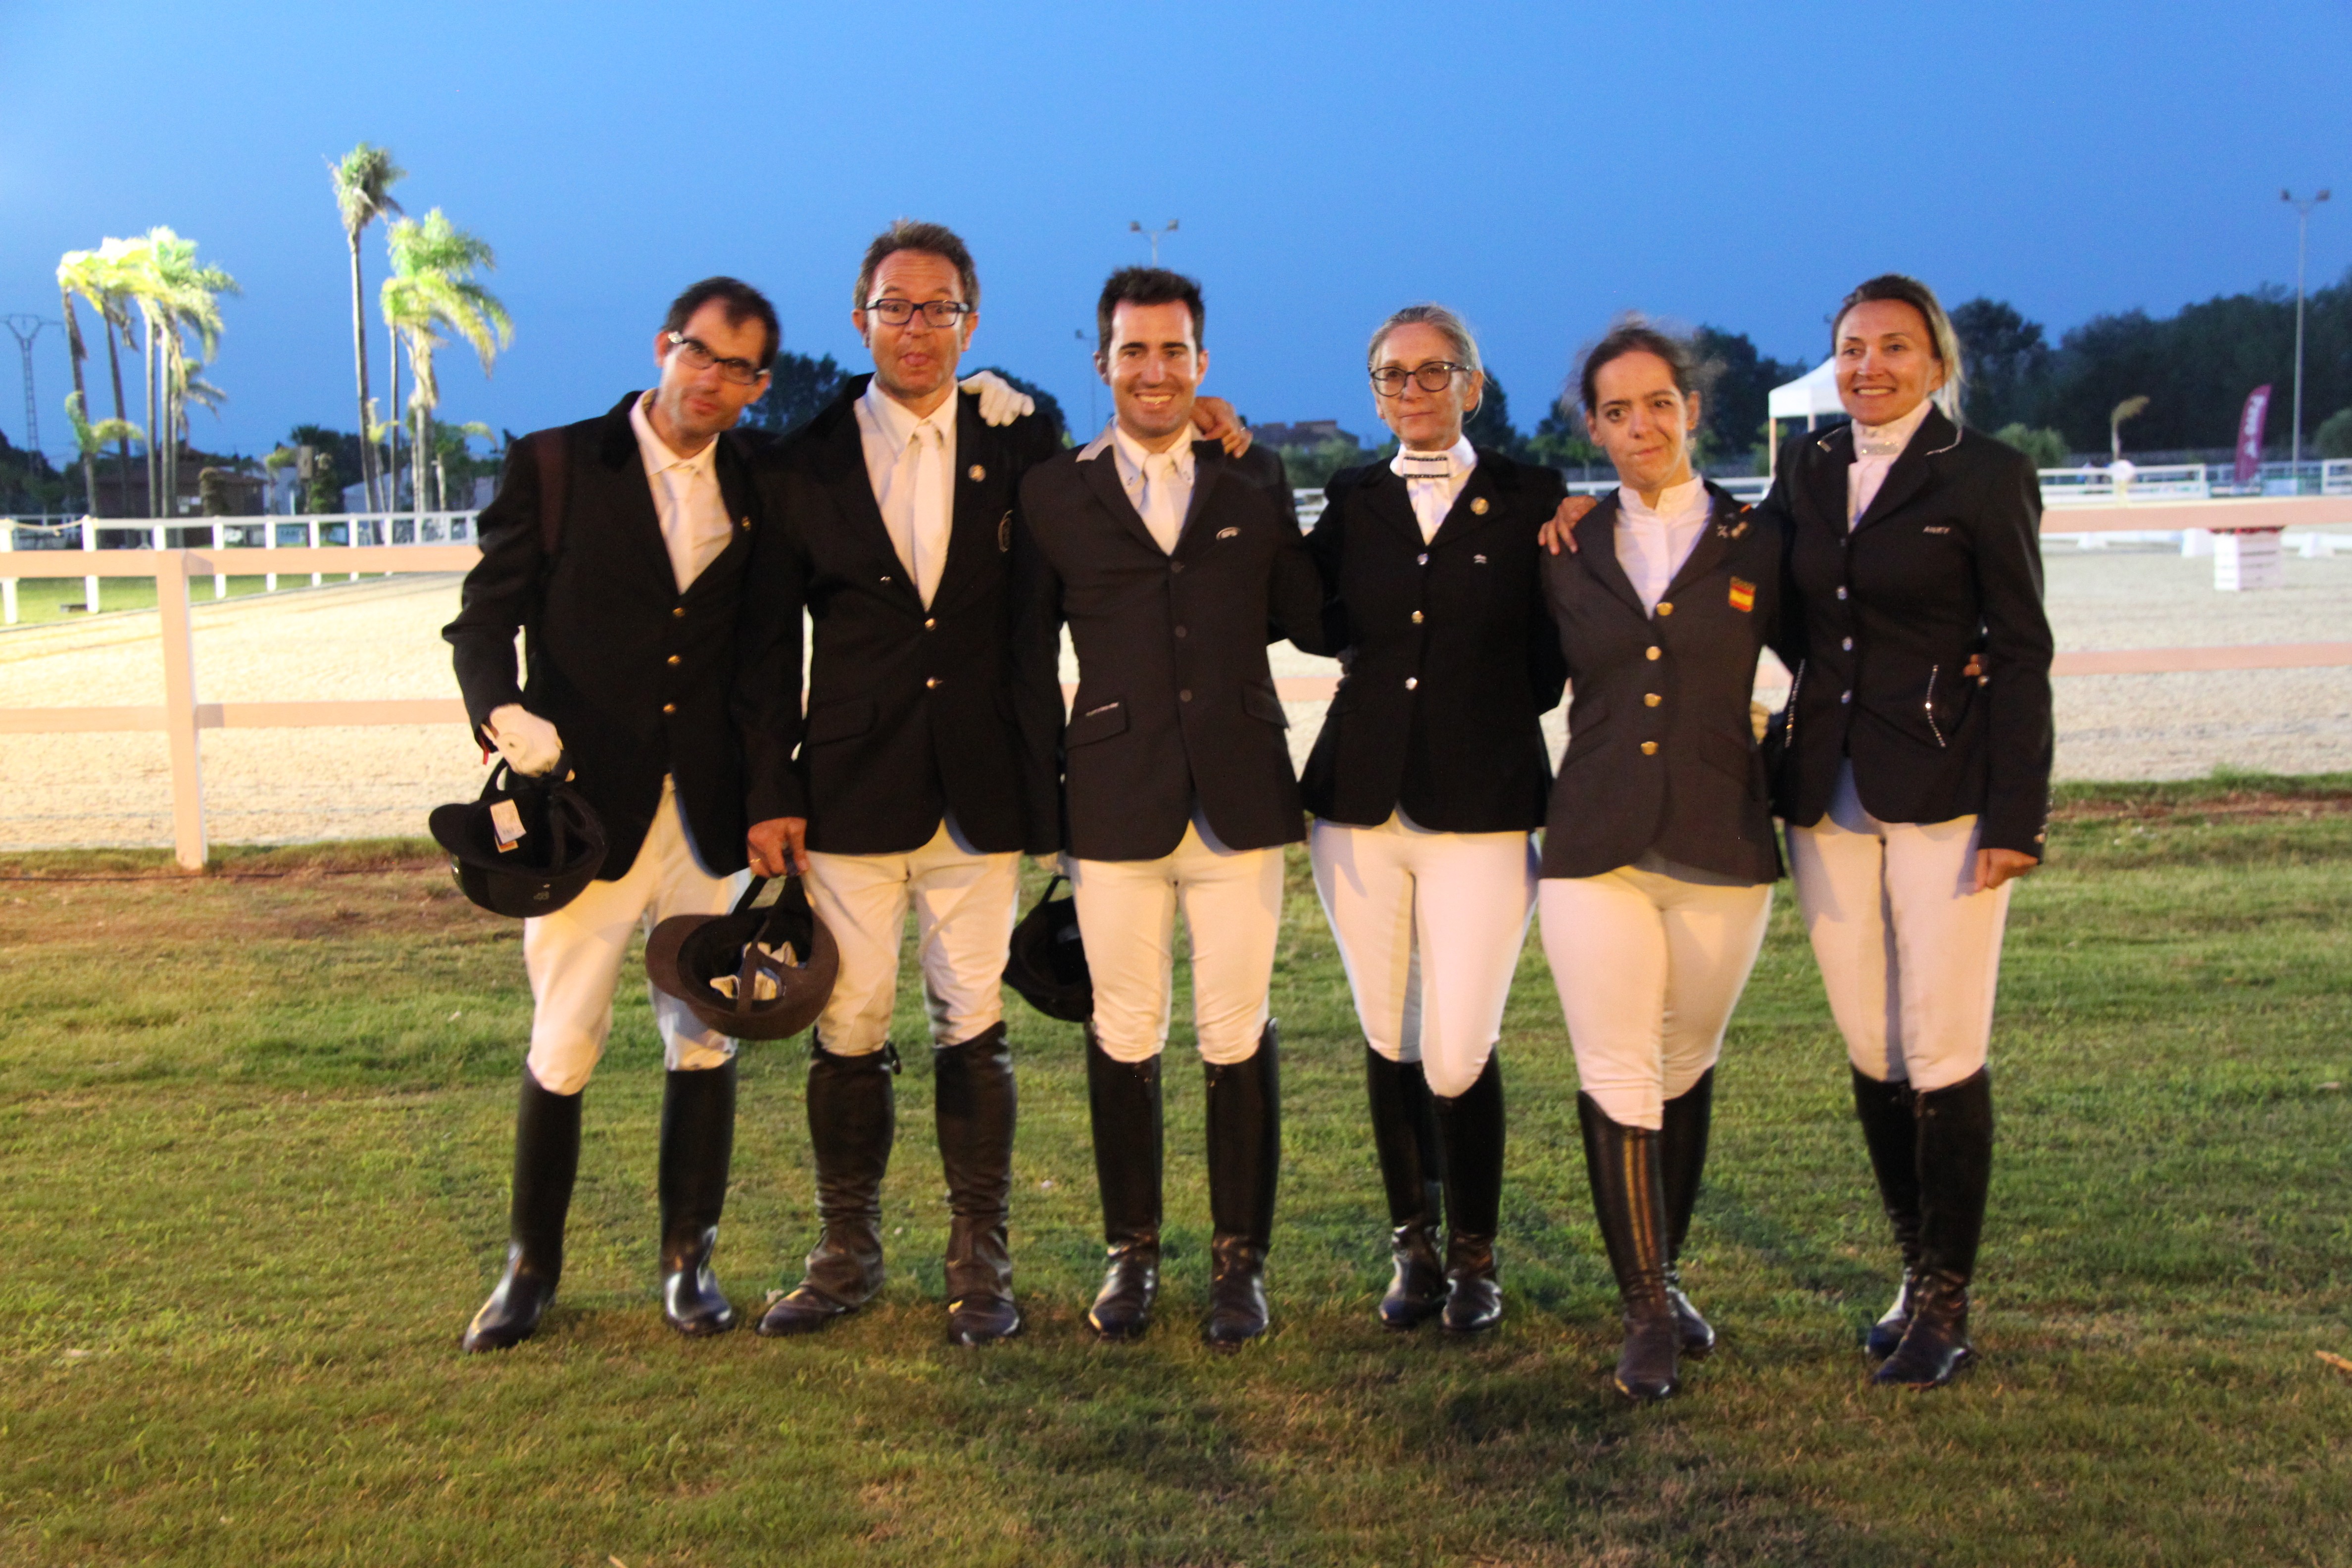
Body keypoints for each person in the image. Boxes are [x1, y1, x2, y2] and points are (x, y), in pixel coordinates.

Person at [737, 222, 1251, 1346]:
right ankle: (846, 1254)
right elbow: (769, 646)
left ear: (971, 323)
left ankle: (982, 1263)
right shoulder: (801, 462)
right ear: (861, 318)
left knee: (970, 1018)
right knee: (850, 1020)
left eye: (940, 308)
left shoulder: (1024, 441)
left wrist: (1207, 422)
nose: (917, 328)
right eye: (896, 306)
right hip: (850, 789)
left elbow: (1121, 486)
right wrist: (771, 790)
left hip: (981, 786)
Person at [443, 277, 781, 1351]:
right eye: (700, 352)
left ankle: (690, 1261)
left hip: (707, 816)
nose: (712, 380)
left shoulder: (761, 480)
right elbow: (483, 622)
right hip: (583, 811)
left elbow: (766, 660)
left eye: (739, 368)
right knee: (565, 1038)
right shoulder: (556, 465)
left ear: (758, 386)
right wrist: (501, 713)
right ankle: (529, 1269)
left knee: (705, 1034)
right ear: (664, 345)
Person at [1009, 267, 1327, 1347]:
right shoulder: (1054, 491)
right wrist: (1043, 812)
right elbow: (1025, 658)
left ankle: (1241, 1264)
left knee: (1235, 1028)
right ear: (1103, 362)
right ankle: (1131, 1255)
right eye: (1135, 351)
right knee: (1124, 1026)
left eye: (1174, 350)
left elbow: (1305, 613)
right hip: (1112, 797)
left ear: (1203, 361)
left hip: (1238, 787)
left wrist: (1261, 479)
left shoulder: (1255, 474)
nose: (1156, 370)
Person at [1762, 274, 2052, 1390]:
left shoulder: (1986, 474)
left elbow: (2020, 650)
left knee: (1943, 1043)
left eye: (1892, 347)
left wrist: (2018, 815)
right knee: (1872, 1044)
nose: (1868, 366)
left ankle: (1947, 1302)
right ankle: (1909, 1271)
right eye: (1851, 347)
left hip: (1950, 791)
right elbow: (1770, 596)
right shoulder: (1809, 466)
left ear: (1936, 362)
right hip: (1825, 788)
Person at [1301, 304, 1565, 1335]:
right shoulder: (1353, 498)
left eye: (1433, 371)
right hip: (1359, 808)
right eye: (1393, 375)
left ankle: (1477, 1256)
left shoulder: (1534, 496)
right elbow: (1306, 616)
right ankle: (1414, 1247)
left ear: (1473, 385)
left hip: (1485, 807)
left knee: (1460, 1049)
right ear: (1375, 394)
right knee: (1391, 1034)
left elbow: (1554, 655)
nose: (1412, 390)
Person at [1537, 322, 1787, 1401]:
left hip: (1722, 836)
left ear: (1693, 409)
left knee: (1684, 1063)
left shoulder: (1761, 539)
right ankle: (1645, 1311)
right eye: (1615, 411)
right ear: (1592, 429)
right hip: (1593, 842)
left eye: (1657, 404)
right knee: (1617, 1067)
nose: (1639, 426)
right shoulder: (1565, 543)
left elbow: (1839, 655)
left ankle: (1666, 1272)